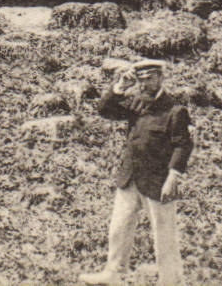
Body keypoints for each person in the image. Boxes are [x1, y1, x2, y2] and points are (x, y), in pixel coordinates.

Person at [80, 59, 192, 286]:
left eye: (149, 78)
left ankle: (171, 281)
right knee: (118, 228)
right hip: (130, 176)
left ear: (161, 78)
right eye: (140, 79)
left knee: (164, 235)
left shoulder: (175, 110)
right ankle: (113, 273)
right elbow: (105, 110)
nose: (144, 84)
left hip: (158, 181)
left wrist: (173, 177)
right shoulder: (135, 103)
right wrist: (120, 86)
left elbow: (183, 145)